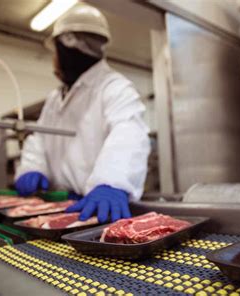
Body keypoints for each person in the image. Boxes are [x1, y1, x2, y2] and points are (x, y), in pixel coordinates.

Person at [14, 3, 150, 223]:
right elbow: (40, 138)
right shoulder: (54, 99)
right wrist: (32, 168)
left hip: (98, 206)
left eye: (56, 51)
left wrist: (111, 182)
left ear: (66, 47)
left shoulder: (114, 87)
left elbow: (129, 131)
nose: (54, 60)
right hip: (59, 205)